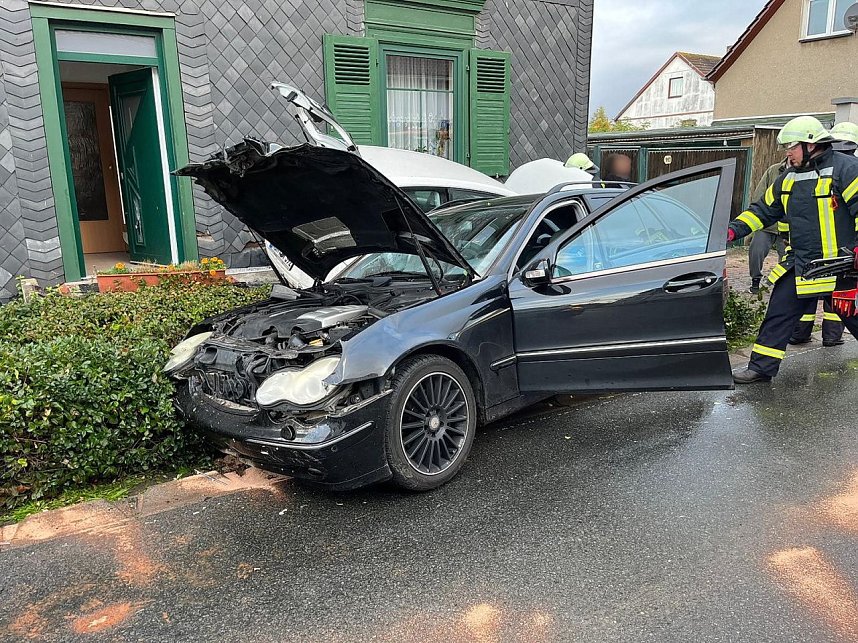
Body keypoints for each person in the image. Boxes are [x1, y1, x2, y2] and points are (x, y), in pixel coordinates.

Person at [728, 116, 858, 384]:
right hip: (802, 263)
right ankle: (761, 368)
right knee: (779, 313)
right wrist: (732, 231)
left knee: (853, 317)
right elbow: (762, 211)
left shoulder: (847, 169)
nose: (788, 153)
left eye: (792, 146)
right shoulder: (788, 177)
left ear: (812, 144)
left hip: (842, 266)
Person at [787, 123, 858, 346]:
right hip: (830, 257)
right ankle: (830, 336)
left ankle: (809, 334)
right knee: (836, 302)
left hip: (835, 258)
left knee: (833, 302)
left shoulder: (845, 170)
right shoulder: (803, 171)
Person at [747, 159, 788, 294]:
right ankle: (755, 280)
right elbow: (759, 195)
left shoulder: (803, 173)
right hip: (767, 224)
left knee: (787, 257)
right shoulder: (773, 170)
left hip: (788, 227)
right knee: (756, 251)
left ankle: (781, 284)